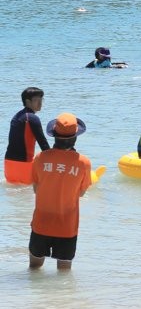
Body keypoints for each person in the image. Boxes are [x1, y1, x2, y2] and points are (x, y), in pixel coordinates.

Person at [29, 113, 92, 270]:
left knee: (34, 268)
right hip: (67, 226)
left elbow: (36, 189)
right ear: (75, 137)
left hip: (41, 223)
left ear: (54, 136)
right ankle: (61, 296)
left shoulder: (40, 158)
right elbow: (81, 193)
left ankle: (32, 295)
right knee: (64, 273)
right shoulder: (83, 163)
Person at [5, 87, 49, 185]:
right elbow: (43, 144)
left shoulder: (16, 116)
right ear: (28, 101)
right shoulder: (32, 118)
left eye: (41, 100)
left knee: (14, 195)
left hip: (8, 163)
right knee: (27, 194)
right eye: (37, 100)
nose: (40, 103)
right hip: (24, 165)